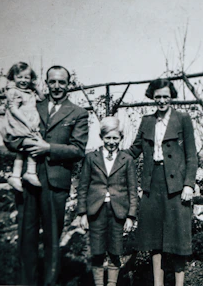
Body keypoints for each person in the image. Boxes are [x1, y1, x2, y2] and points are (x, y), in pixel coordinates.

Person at [3, 65, 89, 286]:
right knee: (26, 237)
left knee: (52, 239)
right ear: (46, 83)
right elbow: (11, 133)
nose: (57, 86)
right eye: (52, 81)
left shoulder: (78, 113)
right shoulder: (32, 104)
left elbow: (78, 150)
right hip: (28, 181)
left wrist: (48, 148)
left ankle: (50, 283)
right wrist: (18, 142)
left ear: (68, 84)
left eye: (62, 82)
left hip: (55, 182)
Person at [125, 78, 198, 286]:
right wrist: (109, 157)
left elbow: (191, 156)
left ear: (171, 97)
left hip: (176, 187)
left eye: (166, 96)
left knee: (177, 239)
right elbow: (134, 150)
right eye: (158, 97)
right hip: (152, 184)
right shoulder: (147, 121)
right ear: (152, 98)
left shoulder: (183, 119)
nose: (162, 101)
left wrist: (188, 184)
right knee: (154, 239)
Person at [77, 116, 138, 286]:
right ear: (102, 137)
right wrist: (82, 214)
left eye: (115, 138)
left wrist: (130, 216)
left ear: (121, 138)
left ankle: (111, 284)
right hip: (96, 211)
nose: (111, 142)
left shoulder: (127, 160)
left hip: (118, 211)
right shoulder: (91, 158)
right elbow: (83, 187)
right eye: (108, 138)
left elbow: (133, 190)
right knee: (97, 252)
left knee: (115, 251)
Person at [0, 62, 45, 191]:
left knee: (23, 151)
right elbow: (14, 110)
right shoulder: (14, 92)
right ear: (13, 77)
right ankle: (29, 172)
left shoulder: (29, 91)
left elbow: (42, 99)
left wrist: (36, 88)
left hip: (29, 124)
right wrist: (27, 122)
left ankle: (17, 175)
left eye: (27, 77)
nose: (23, 80)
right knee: (33, 144)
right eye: (20, 77)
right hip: (20, 124)